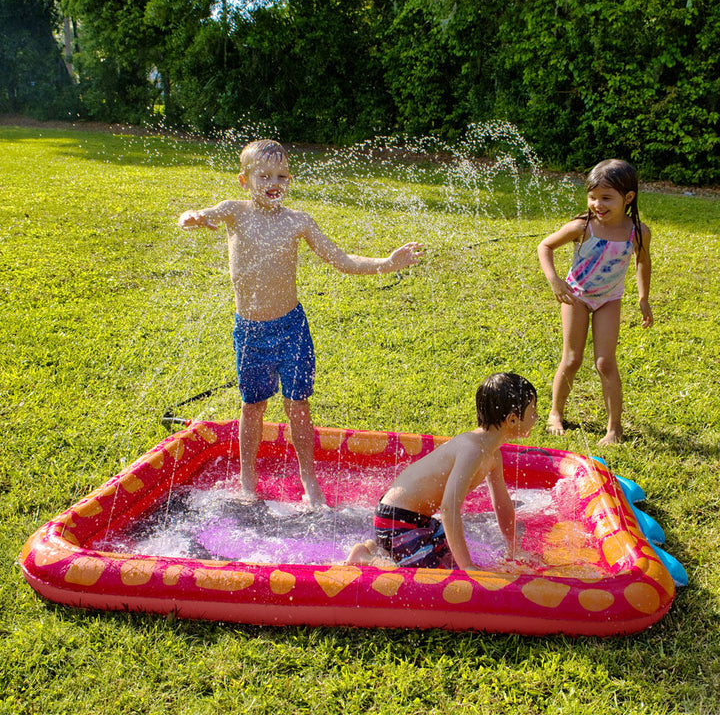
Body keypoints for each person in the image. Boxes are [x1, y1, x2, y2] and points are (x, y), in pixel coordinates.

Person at [178, 139, 423, 506]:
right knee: (253, 406)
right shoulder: (235, 212)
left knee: (298, 406)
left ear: (289, 178)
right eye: (263, 175)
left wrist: (386, 264)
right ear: (244, 180)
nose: (273, 182)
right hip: (250, 332)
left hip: (291, 329)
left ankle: (308, 476)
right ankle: (248, 478)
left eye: (281, 175)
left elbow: (340, 258)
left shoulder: (298, 222)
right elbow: (203, 214)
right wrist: (192, 217)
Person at [346, 373, 537, 570]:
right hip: (397, 518)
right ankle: (366, 559)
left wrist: (513, 547)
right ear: (512, 419)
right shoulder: (473, 451)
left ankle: (378, 549)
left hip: (420, 520)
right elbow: (449, 508)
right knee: (429, 577)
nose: (536, 417)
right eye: (533, 410)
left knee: (448, 563)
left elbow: (502, 504)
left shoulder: (492, 454)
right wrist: (467, 567)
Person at [537, 159, 653, 446]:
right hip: (576, 296)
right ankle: (555, 413)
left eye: (606, 198)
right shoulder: (582, 227)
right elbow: (545, 246)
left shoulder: (637, 231)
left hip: (609, 299)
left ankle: (614, 429)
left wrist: (643, 298)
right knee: (572, 358)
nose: (597, 204)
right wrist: (555, 281)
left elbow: (642, 260)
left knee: (605, 362)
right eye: (592, 197)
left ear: (628, 198)